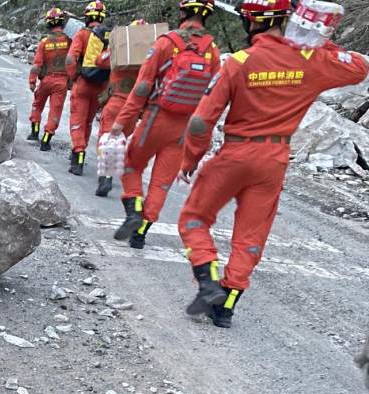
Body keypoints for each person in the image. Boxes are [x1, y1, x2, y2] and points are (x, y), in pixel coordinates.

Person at [177, 0, 369, 327]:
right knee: (251, 236)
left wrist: (191, 158)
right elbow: (359, 67)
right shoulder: (312, 60)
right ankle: (227, 306)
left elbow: (200, 123)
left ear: (252, 22)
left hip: (234, 155)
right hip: (274, 160)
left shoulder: (238, 62)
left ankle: (208, 283)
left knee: (194, 218)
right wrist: (316, 37)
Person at [110, 0, 220, 248]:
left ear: (182, 12)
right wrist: (199, 147)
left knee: (131, 163)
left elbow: (142, 86)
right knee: (161, 182)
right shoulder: (212, 51)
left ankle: (134, 210)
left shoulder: (166, 43)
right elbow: (212, 101)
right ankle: (142, 233)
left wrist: (122, 121)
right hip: (185, 126)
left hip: (156, 118)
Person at [94, 19, 148, 197]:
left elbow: (99, 61)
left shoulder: (119, 51)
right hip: (134, 108)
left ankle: (106, 176)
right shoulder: (149, 57)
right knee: (121, 140)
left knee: (106, 139)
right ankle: (113, 170)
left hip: (116, 102)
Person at [65, 0, 110, 175]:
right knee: (89, 121)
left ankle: (78, 155)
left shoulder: (82, 34)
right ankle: (82, 151)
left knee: (77, 120)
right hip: (100, 87)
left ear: (87, 16)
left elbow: (70, 59)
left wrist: (73, 77)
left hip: (83, 84)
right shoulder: (109, 36)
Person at [28, 8, 72, 151]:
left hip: (46, 80)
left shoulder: (44, 42)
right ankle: (46, 141)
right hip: (62, 82)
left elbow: (37, 64)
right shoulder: (69, 41)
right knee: (55, 111)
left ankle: (34, 133)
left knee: (37, 104)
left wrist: (32, 81)